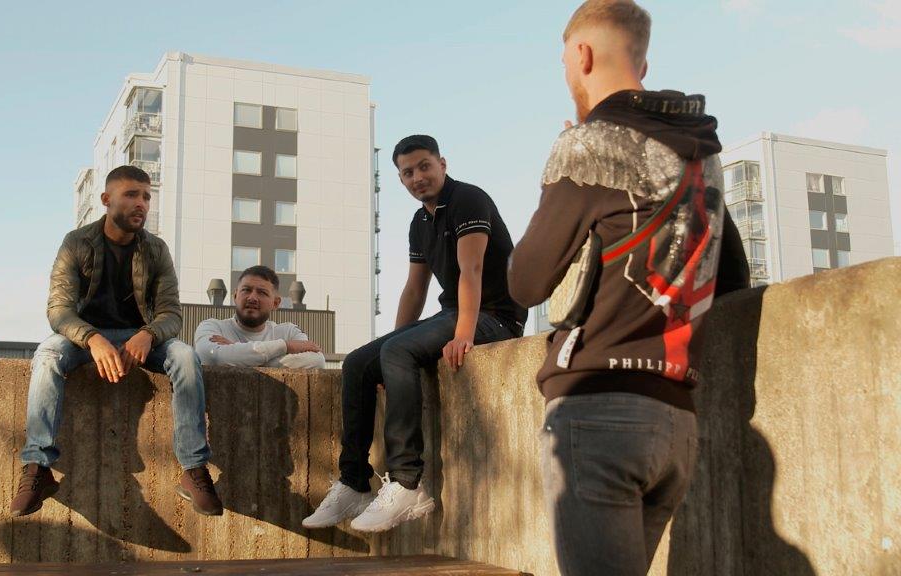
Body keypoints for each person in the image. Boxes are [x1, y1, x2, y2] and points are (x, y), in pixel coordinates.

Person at [507, 1, 750, 574]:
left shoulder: (589, 145)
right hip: (676, 421)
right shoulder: (702, 157)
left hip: (598, 410)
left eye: (564, 62)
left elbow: (525, 282)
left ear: (582, 55)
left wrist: (558, 180)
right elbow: (732, 278)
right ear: (642, 62)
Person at [303, 135, 528, 533]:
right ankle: (354, 482)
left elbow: (472, 269)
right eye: (408, 172)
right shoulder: (419, 221)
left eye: (425, 166)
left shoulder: (469, 199)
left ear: (442, 163)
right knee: (358, 363)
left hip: (495, 316)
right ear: (401, 179)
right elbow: (414, 289)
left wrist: (464, 334)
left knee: (398, 353)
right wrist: (387, 354)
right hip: (455, 311)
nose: (418, 177)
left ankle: (407, 483)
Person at [10, 165, 223, 518]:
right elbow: (59, 310)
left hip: (140, 336)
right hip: (84, 337)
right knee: (47, 354)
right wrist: (91, 338)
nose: (142, 203)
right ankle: (38, 467)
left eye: (147, 197)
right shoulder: (76, 243)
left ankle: (194, 470)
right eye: (132, 195)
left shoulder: (156, 249)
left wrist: (147, 334)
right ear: (107, 199)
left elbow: (171, 313)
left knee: (185, 356)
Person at [194, 265, 325, 369]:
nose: (252, 298)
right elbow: (211, 357)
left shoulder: (289, 332)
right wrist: (285, 346)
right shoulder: (212, 327)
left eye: (262, 292)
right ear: (235, 296)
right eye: (246, 290)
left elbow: (317, 361)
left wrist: (237, 354)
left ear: (275, 303)